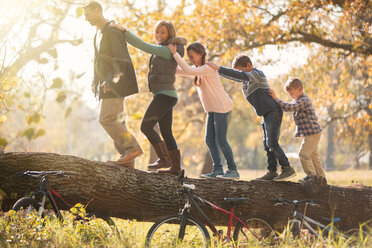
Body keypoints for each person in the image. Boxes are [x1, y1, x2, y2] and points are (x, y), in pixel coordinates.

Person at [113, 20, 187, 175]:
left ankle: (164, 159)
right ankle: (175, 168)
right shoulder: (164, 50)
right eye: (157, 32)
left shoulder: (166, 50)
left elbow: (143, 46)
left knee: (146, 126)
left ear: (169, 34)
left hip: (165, 96)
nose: (159, 35)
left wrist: (124, 32)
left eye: (163, 32)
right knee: (166, 132)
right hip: (166, 95)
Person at [208, 55, 296, 181]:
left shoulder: (256, 74)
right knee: (267, 144)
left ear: (249, 65)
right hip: (266, 114)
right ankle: (272, 172)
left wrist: (218, 67)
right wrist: (216, 70)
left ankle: (287, 168)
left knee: (272, 142)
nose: (240, 73)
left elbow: (237, 75)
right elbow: (234, 76)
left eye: (241, 70)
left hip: (273, 111)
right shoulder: (246, 78)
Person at [84, 1, 143, 167]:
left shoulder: (112, 30)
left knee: (107, 118)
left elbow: (121, 58)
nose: (86, 19)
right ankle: (128, 162)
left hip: (115, 84)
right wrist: (95, 81)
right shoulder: (98, 33)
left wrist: (111, 80)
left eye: (88, 14)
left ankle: (132, 148)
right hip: (105, 84)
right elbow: (99, 61)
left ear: (97, 11)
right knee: (118, 122)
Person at [168, 42, 239, 179]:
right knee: (209, 140)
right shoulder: (198, 69)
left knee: (221, 140)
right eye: (188, 57)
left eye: (192, 56)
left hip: (221, 107)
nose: (190, 59)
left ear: (201, 54)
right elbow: (181, 70)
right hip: (212, 109)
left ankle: (233, 170)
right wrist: (167, 61)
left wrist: (175, 54)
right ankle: (217, 169)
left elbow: (187, 70)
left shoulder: (207, 68)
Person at [268, 77, 326, 183]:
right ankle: (321, 178)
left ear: (299, 89)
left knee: (303, 154)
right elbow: (287, 107)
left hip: (313, 133)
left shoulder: (304, 100)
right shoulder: (298, 100)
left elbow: (289, 107)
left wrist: (276, 99)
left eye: (292, 93)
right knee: (313, 156)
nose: (291, 96)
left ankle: (312, 177)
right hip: (312, 133)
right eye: (289, 94)